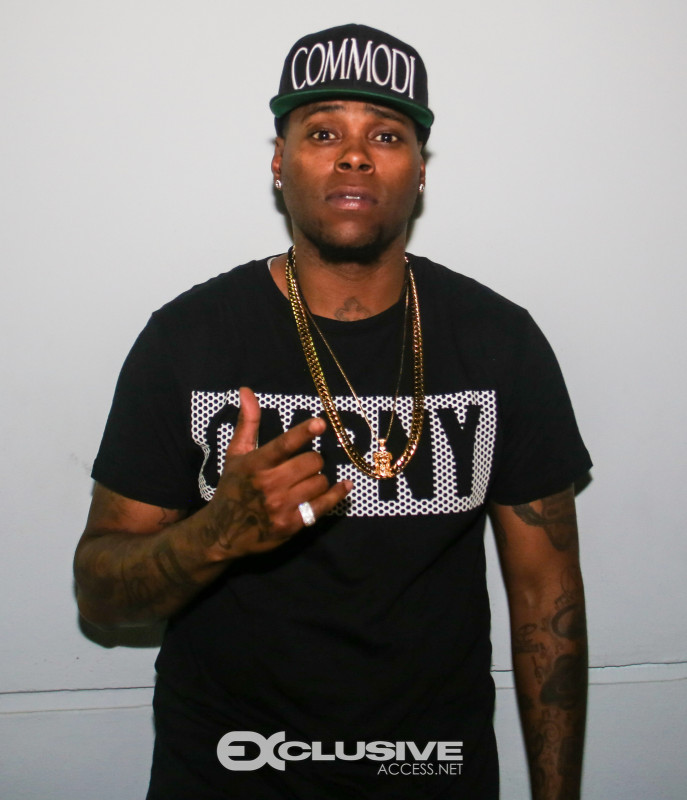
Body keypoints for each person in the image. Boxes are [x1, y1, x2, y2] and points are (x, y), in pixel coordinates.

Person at [74, 23, 591, 800]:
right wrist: (216, 533)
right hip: (234, 769)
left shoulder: (497, 341)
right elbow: (100, 595)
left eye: (385, 135)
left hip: (427, 770)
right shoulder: (190, 339)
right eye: (322, 132)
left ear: (419, 171)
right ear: (279, 163)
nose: (354, 155)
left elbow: (546, 597)